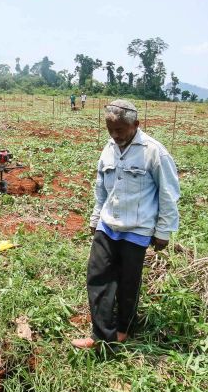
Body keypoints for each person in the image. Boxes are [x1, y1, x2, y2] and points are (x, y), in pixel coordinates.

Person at [72, 99, 180, 349]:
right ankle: (101, 334)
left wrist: (163, 231)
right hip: (108, 224)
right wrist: (96, 217)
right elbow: (102, 189)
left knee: (128, 282)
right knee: (97, 275)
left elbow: (168, 194)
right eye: (110, 129)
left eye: (120, 129)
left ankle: (123, 329)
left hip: (137, 229)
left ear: (136, 125)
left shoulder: (154, 152)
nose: (115, 135)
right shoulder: (108, 148)